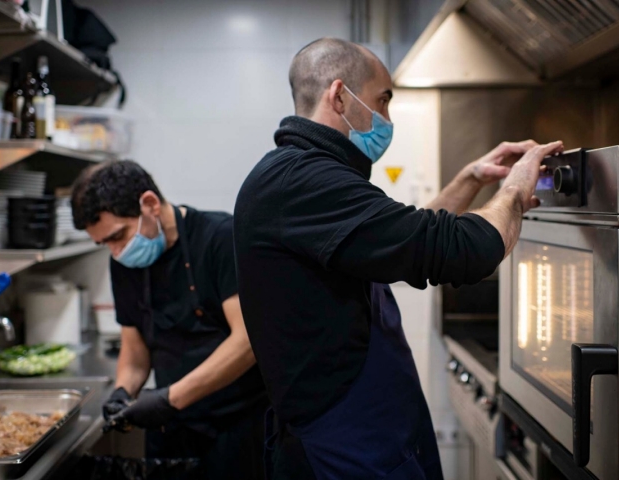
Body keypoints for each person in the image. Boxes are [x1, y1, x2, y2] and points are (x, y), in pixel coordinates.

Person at [233, 38, 563, 479]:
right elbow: (463, 251)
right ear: (338, 96)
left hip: (367, 435)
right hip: (342, 449)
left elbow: (405, 237)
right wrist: (516, 192)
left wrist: (471, 179)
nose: (386, 120)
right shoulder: (303, 181)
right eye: (382, 102)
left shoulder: (303, 174)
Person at [71, 160, 268, 480]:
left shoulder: (219, 237)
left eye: (118, 235)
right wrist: (123, 390)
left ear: (149, 204)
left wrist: (169, 398)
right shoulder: (122, 263)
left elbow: (246, 341)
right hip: (171, 427)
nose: (117, 251)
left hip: (237, 426)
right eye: (105, 243)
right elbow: (135, 352)